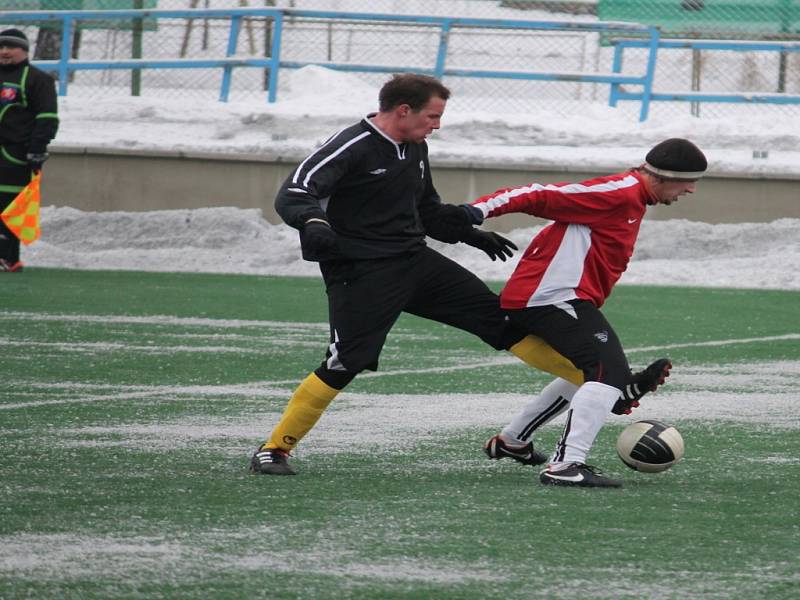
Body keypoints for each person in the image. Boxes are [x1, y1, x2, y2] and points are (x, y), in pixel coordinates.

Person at [251, 73, 669, 476]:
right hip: (362, 272)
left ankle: (607, 385)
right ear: (402, 111)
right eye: (432, 117)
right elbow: (295, 191)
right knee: (347, 360)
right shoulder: (353, 144)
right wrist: (313, 223)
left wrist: (472, 235)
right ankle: (275, 448)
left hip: (415, 261)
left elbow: (427, 212)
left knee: (504, 324)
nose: (437, 125)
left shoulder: (414, 147)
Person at [465, 138, 706, 488]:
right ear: (666, 176)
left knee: (590, 371)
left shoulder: (633, 197)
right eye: (688, 180)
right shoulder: (621, 191)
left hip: (551, 297)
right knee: (606, 374)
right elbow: (539, 193)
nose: (692, 189)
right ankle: (566, 465)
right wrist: (476, 212)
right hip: (551, 297)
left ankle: (513, 441)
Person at [0, 28, 58, 273]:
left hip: (15, 154)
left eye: (10, 47)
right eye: (1, 47)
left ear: (24, 50)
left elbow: (47, 118)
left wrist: (36, 149)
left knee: (8, 207)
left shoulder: (38, 79)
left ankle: (7, 259)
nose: (4, 51)